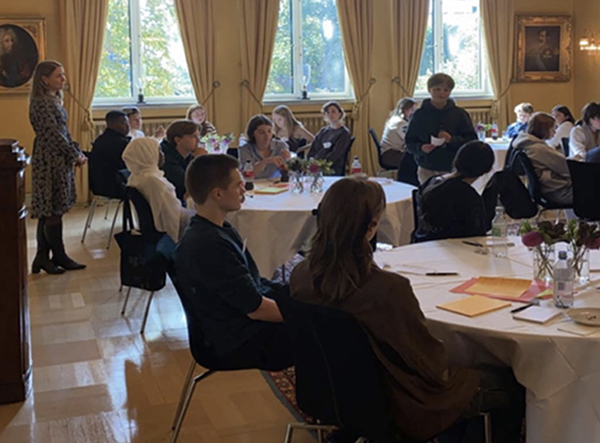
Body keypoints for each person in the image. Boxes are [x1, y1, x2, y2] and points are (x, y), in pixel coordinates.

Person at [290, 176, 524, 443]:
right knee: (511, 378)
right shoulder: (386, 289)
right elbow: (429, 364)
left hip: (327, 390)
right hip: (403, 402)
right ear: (372, 226)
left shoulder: (300, 275)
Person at [173, 154, 293, 370]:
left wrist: (298, 293)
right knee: (330, 330)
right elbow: (256, 309)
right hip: (235, 341)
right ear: (217, 194)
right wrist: (305, 315)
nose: (243, 190)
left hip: (234, 325)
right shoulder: (209, 246)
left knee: (315, 305)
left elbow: (254, 282)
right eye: (238, 185)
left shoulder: (217, 229)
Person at [29, 60, 87, 274]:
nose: (63, 79)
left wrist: (76, 150)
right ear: (44, 80)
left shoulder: (52, 100)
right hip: (50, 159)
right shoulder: (41, 102)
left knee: (51, 209)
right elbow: (53, 135)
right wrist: (74, 155)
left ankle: (42, 257)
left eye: (63, 75)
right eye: (58, 76)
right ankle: (59, 255)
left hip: (58, 157)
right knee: (53, 208)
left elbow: (63, 131)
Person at [413, 141, 494, 243]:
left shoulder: (431, 182)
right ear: (487, 169)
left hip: (423, 244)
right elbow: (476, 237)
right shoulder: (468, 197)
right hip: (454, 250)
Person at [405, 73, 477, 184]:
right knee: (429, 198)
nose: (442, 93)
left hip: (452, 166)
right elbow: (409, 142)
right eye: (437, 89)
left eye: (446, 90)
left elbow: (471, 140)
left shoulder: (459, 114)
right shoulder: (419, 115)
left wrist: (451, 140)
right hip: (427, 167)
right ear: (430, 90)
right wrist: (421, 148)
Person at [122, 137, 194, 242]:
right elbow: (172, 218)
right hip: (170, 231)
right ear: (148, 154)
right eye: (158, 150)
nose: (162, 154)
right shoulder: (154, 181)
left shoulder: (136, 176)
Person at [514, 112, 573, 205]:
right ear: (544, 130)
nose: (555, 132)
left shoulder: (527, 144)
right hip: (558, 191)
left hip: (547, 190)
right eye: (552, 129)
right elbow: (568, 168)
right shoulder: (539, 149)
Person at [160, 119, 207, 203]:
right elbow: (190, 185)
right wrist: (199, 162)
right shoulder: (166, 159)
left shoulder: (186, 155)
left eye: (198, 136)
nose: (198, 141)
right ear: (178, 140)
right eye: (193, 136)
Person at [90, 110, 131, 198]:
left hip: (98, 186)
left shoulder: (101, 139)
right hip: (114, 186)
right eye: (123, 123)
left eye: (128, 123)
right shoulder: (118, 143)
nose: (128, 126)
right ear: (112, 125)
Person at [239, 114, 290, 179]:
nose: (267, 136)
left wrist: (287, 161)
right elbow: (249, 175)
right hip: (254, 184)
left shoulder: (281, 146)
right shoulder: (245, 149)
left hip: (275, 184)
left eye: (269, 131)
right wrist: (266, 161)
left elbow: (289, 171)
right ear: (253, 133)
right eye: (261, 132)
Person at [307, 101, 352, 176]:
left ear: (340, 114)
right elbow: (314, 148)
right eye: (327, 112)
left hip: (332, 167)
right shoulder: (323, 131)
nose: (330, 114)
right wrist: (310, 162)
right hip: (318, 164)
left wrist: (321, 165)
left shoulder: (344, 133)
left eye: (333, 112)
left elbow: (336, 154)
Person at [380, 97, 417, 167]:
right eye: (412, 110)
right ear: (403, 110)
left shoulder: (395, 119)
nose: (413, 112)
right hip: (391, 156)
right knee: (420, 159)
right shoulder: (400, 123)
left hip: (390, 153)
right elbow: (409, 139)